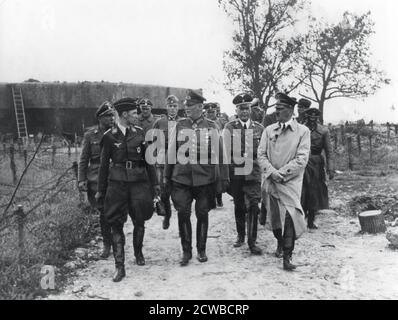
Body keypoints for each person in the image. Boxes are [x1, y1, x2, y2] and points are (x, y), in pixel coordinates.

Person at [96, 97, 160, 282]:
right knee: (116, 222)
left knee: (139, 219)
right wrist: (101, 190)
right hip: (117, 185)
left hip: (139, 183)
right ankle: (119, 266)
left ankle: (138, 253)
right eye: (133, 114)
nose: (137, 116)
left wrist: (155, 185)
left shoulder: (140, 134)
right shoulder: (109, 136)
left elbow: (149, 163)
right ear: (124, 115)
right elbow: (103, 166)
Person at [165, 90, 229, 266]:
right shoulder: (179, 125)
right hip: (182, 177)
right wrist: (166, 177)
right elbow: (171, 152)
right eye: (186, 106)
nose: (187, 109)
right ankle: (186, 251)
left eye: (190, 106)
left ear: (200, 107)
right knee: (183, 212)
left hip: (205, 178)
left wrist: (223, 178)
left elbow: (221, 154)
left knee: (202, 213)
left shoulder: (211, 126)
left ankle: (201, 249)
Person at [258, 92, 310, 271]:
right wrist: (272, 173)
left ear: (290, 110)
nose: (276, 112)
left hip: (291, 181)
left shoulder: (303, 131)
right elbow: (261, 155)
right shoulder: (269, 130)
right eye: (276, 109)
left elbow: (302, 159)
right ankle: (280, 242)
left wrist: (282, 173)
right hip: (272, 181)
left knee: (291, 215)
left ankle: (287, 255)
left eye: (280, 109)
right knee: (275, 218)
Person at [224, 93, 264, 255]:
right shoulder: (230, 127)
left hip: (253, 172)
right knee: (239, 205)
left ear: (251, 109)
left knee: (254, 205)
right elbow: (225, 152)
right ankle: (241, 235)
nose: (244, 112)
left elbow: (263, 153)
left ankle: (252, 241)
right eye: (241, 109)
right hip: (236, 172)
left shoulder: (259, 129)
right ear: (237, 110)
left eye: (246, 108)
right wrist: (226, 174)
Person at [78, 101, 115, 259]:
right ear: (100, 118)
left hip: (115, 178)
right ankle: (107, 244)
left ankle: (117, 241)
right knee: (104, 213)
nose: (112, 119)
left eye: (113, 115)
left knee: (115, 212)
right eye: (108, 116)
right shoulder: (90, 135)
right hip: (96, 179)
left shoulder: (118, 133)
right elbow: (83, 159)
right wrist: (81, 179)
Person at [302, 107, 334, 229]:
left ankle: (311, 220)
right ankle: (301, 218)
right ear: (307, 117)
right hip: (302, 162)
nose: (312, 120)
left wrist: (331, 169)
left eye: (315, 118)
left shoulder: (324, 131)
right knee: (302, 190)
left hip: (316, 164)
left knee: (314, 192)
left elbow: (329, 151)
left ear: (318, 118)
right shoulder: (300, 129)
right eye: (310, 118)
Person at [151, 95, 180, 230]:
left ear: (178, 108)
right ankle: (167, 216)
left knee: (180, 194)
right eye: (170, 106)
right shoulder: (160, 123)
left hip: (179, 162)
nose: (172, 109)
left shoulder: (184, 122)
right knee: (164, 192)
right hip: (163, 161)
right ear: (166, 107)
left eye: (175, 106)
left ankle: (182, 223)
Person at [204, 102, 224, 208]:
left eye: (212, 112)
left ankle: (219, 197)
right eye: (208, 112)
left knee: (218, 176)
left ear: (216, 111)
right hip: (206, 153)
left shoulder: (220, 122)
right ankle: (210, 198)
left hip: (217, 151)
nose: (211, 114)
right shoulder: (203, 123)